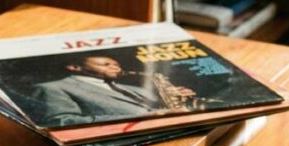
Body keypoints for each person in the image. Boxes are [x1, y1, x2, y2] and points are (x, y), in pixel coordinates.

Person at [29, 54, 197, 127]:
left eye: (116, 64)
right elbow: (61, 122)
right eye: (106, 64)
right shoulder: (52, 88)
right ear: (75, 67)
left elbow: (166, 108)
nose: (115, 67)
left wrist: (179, 97)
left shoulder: (135, 89)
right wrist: (144, 117)